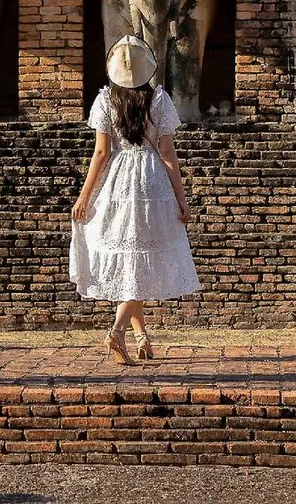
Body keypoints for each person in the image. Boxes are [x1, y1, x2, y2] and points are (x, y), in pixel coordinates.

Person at [70, 35, 199, 365]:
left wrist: (86, 196)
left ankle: (141, 336)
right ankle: (117, 332)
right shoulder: (159, 99)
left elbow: (101, 153)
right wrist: (181, 198)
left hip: (117, 181)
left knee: (132, 259)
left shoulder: (105, 100)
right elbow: (168, 153)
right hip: (151, 182)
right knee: (138, 260)